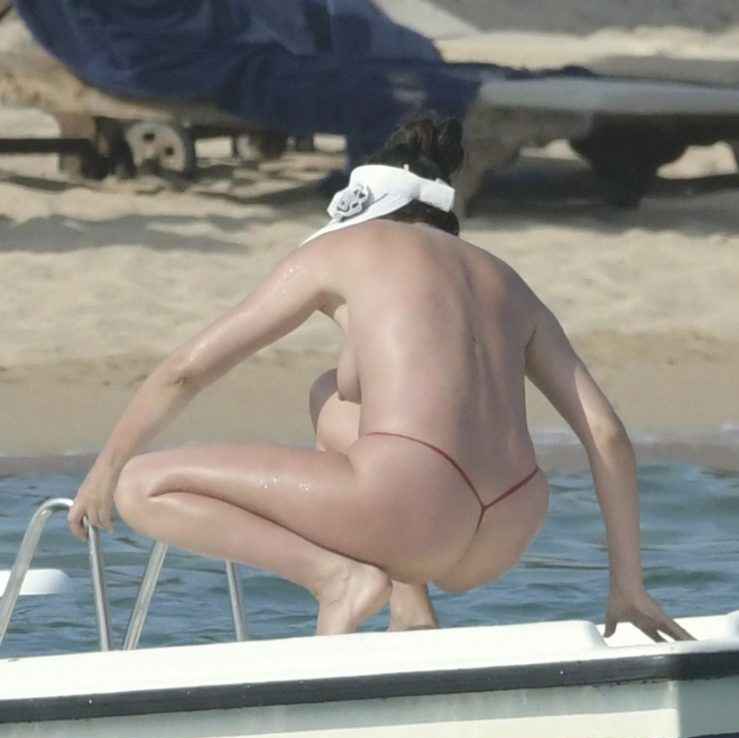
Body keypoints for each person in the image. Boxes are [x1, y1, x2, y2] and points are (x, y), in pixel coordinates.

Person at [68, 116, 692, 642]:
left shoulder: (343, 250)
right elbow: (606, 435)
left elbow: (185, 372)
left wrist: (105, 468)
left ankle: (335, 578)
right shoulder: (506, 279)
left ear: (364, 209)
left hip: (411, 506)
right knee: (331, 395)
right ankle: (410, 607)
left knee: (141, 487)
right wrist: (627, 586)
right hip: (505, 528)